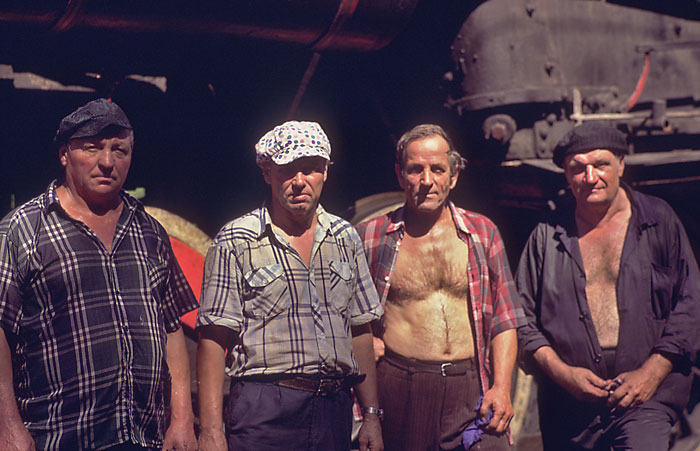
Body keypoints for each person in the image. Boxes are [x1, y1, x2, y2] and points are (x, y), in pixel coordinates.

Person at [0, 98, 199, 450]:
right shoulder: (22, 231)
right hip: (58, 436)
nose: (107, 162)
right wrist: (8, 426)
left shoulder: (149, 231)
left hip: (143, 437)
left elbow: (171, 328)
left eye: (119, 150)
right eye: (92, 149)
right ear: (64, 154)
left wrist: (182, 418)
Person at [195, 120, 384, 451]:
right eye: (287, 170)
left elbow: (360, 330)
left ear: (325, 171)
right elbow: (213, 337)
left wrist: (370, 415)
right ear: (267, 173)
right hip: (264, 410)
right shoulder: (236, 240)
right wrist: (211, 430)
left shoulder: (345, 238)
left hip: (333, 409)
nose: (299, 182)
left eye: (310, 169)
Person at [515, 122, 700, 450]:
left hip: (646, 398)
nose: (590, 177)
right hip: (568, 407)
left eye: (600, 164)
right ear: (566, 176)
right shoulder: (545, 236)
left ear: (620, 165)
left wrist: (652, 372)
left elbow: (690, 301)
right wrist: (562, 374)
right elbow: (521, 321)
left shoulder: (658, 221)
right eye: (578, 169)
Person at [355, 124, 525, 451]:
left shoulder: (482, 233)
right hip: (402, 385)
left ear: (454, 175)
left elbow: (505, 318)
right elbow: (342, 317)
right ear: (400, 174)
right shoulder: (371, 235)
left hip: (471, 386)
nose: (427, 180)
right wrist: (365, 342)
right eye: (416, 169)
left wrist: (502, 387)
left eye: (437, 169)